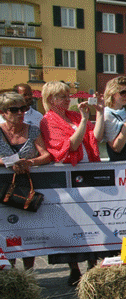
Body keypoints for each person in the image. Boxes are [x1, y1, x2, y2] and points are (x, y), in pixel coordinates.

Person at [39, 81, 105, 285]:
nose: (69, 100)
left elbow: (95, 138)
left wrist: (99, 114)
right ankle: (74, 268)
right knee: (71, 223)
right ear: (51, 100)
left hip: (87, 172)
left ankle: (93, 264)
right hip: (66, 177)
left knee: (93, 218)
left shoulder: (74, 116)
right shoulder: (48, 121)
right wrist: (84, 121)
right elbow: (69, 147)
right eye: (63, 97)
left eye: (68, 96)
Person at [0, 92, 52, 272]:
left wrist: (30, 162)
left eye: (23, 108)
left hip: (27, 188)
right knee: (7, 233)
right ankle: (11, 275)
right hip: (3, 189)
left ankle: (29, 274)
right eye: (14, 110)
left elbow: (46, 155)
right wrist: (9, 162)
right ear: (3, 112)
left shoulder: (33, 130)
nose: (20, 113)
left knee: (29, 232)